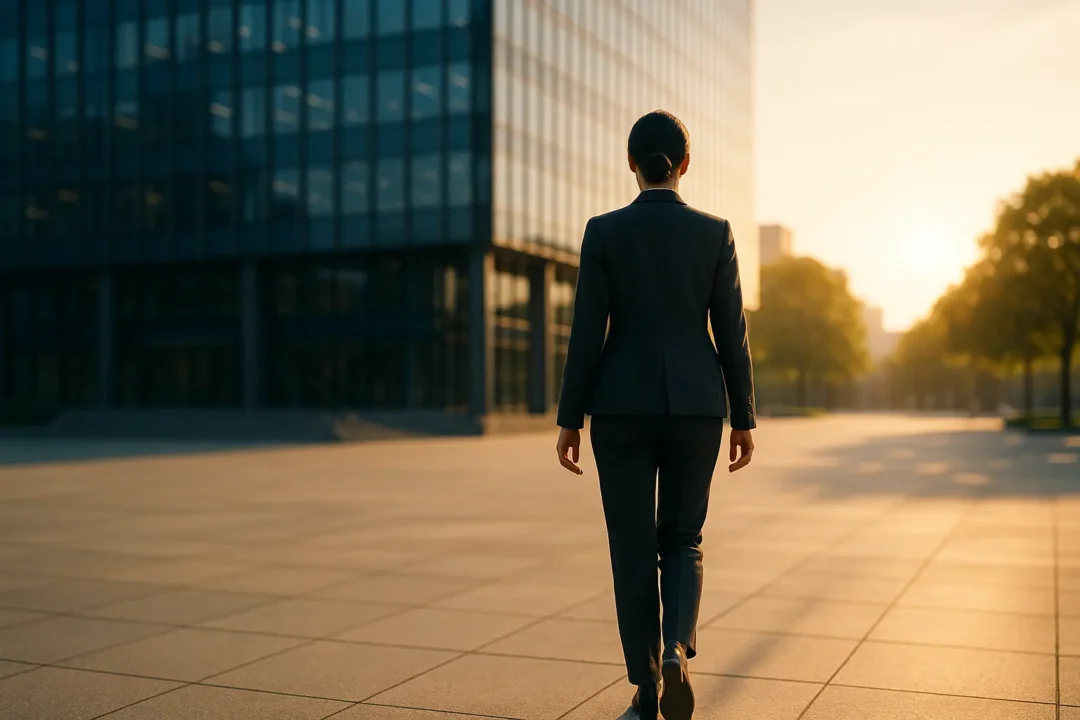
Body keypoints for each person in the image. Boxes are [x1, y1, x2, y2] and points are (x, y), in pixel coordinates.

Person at [554, 110, 756, 720]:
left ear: (631, 163)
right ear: (685, 164)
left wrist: (570, 417)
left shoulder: (603, 232)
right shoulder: (715, 232)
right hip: (697, 406)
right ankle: (675, 649)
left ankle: (646, 689)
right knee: (683, 538)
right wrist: (743, 416)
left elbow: (586, 331)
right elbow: (732, 332)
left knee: (632, 547)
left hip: (620, 407)